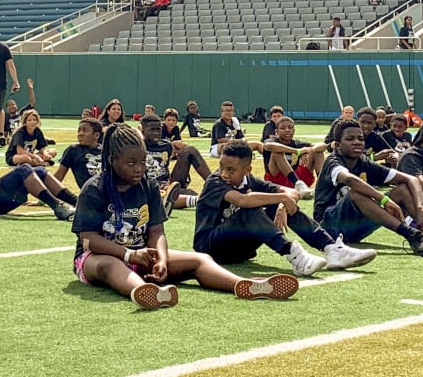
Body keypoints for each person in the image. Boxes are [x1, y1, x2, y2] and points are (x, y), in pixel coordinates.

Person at [70, 124, 299, 309]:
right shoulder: (94, 189)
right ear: (112, 161)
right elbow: (89, 239)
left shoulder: (148, 185)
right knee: (111, 265)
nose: (139, 168)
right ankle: (142, 291)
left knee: (201, 260)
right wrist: (129, 255)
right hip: (97, 258)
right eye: (131, 163)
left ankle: (244, 285)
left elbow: (156, 231)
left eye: (142, 162)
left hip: (141, 255)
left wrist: (160, 258)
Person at [194, 140, 376, 276]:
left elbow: (292, 192)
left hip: (239, 252)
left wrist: (282, 204)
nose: (224, 173)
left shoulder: (250, 180)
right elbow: (243, 200)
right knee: (250, 209)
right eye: (221, 167)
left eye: (231, 170)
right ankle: (294, 255)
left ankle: (331, 248)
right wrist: (281, 198)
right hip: (210, 249)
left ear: (248, 170)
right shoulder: (215, 182)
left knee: (281, 205)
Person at [312, 119, 423, 257]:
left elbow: (410, 179)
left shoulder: (363, 161)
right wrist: (384, 200)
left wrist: (419, 207)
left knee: (402, 190)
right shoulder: (333, 161)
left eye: (360, 138)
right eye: (350, 139)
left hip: (354, 228)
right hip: (328, 229)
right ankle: (412, 235)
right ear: (338, 145)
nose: (357, 142)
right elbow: (350, 180)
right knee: (356, 193)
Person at [141, 114, 209, 214]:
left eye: (158, 130)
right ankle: (201, 200)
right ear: (143, 131)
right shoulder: (138, 147)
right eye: (152, 130)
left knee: (190, 150)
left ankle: (215, 184)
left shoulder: (167, 146)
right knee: (188, 194)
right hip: (148, 186)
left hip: (167, 184)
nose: (156, 133)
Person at [259, 115, 324, 200]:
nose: (287, 130)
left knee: (317, 152)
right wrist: (297, 151)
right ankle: (298, 184)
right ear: (276, 131)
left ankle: (322, 187)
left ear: (294, 130)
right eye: (283, 128)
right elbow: (268, 146)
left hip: (296, 179)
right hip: (276, 181)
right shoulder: (272, 141)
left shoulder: (297, 143)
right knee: (277, 152)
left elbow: (323, 145)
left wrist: (308, 150)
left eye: (290, 127)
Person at [55, 117, 104, 189]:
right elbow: (59, 176)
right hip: (91, 194)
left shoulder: (105, 150)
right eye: (79, 131)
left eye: (85, 131)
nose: (80, 134)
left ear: (96, 135)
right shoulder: (73, 150)